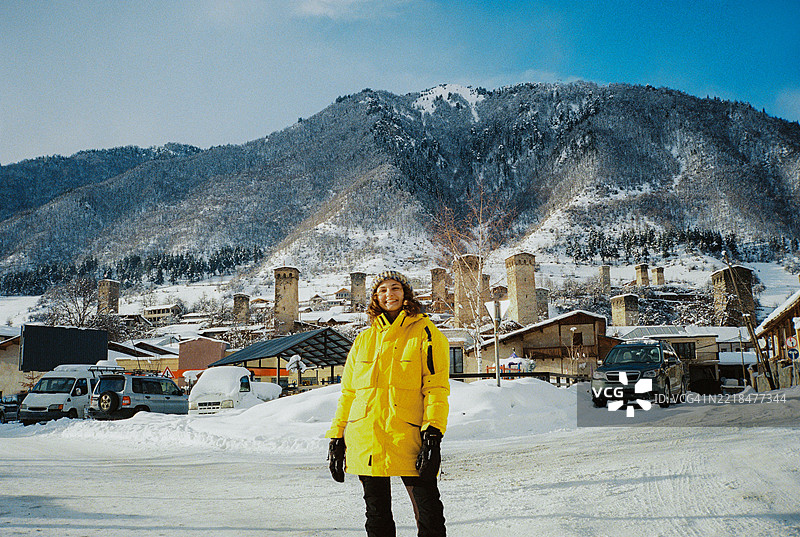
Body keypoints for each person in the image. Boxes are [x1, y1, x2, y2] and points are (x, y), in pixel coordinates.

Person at [326, 270, 450, 537]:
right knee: (376, 514)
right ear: (375, 297)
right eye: (382, 290)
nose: (389, 294)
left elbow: (436, 388)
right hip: (366, 436)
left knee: (428, 513)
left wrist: (433, 434)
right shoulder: (363, 340)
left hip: (408, 436)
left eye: (395, 288)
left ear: (405, 293)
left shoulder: (426, 333)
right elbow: (348, 393)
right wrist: (336, 438)